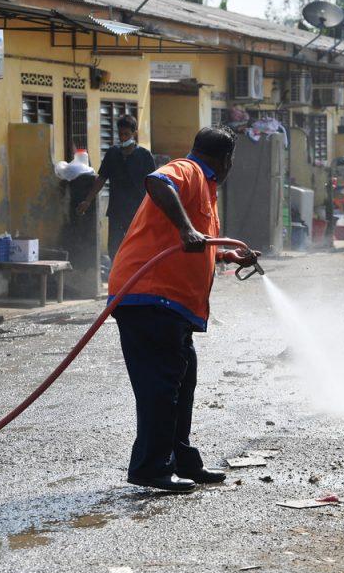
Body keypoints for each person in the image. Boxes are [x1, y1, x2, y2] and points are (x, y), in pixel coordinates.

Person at [108, 126, 261, 493]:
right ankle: (149, 467)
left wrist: (226, 254)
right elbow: (158, 181)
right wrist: (186, 228)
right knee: (160, 386)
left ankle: (181, 461)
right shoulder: (188, 170)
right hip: (148, 296)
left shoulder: (206, 188)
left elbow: (196, 244)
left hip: (170, 304)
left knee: (182, 381)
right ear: (226, 160)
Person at [77, 115, 157, 260]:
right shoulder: (112, 153)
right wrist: (88, 200)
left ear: (134, 133)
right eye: (120, 134)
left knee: (137, 247)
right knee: (114, 248)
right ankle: (116, 278)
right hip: (116, 210)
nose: (123, 137)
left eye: (126, 134)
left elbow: (153, 182)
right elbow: (101, 178)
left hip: (137, 211)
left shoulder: (144, 156)